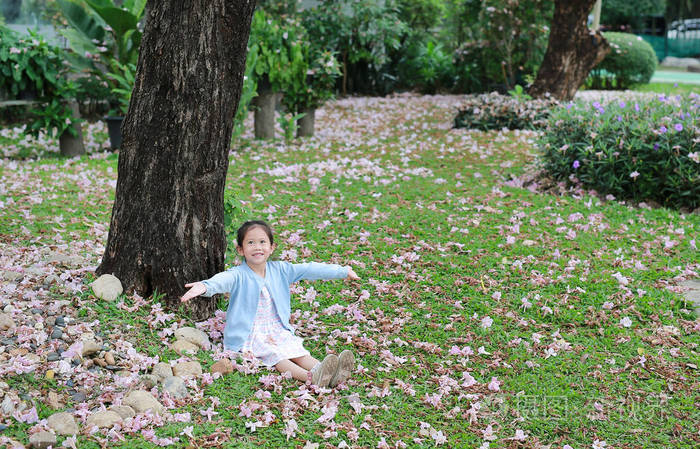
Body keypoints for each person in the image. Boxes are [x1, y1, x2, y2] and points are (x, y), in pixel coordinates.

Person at [181, 220, 359, 388]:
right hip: (251, 333)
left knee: (296, 350)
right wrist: (205, 286)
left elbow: (309, 269)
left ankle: (327, 371)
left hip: (276, 329)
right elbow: (222, 280)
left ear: (271, 247)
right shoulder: (238, 274)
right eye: (250, 242)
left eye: (262, 242)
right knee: (277, 355)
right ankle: (311, 378)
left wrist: (342, 271)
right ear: (241, 250)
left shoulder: (281, 270)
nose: (257, 247)